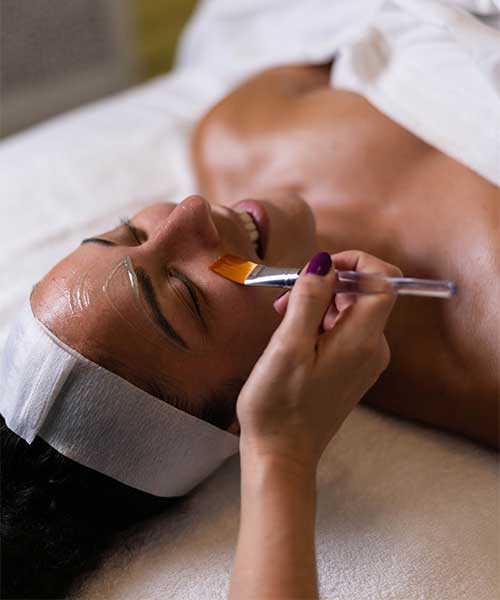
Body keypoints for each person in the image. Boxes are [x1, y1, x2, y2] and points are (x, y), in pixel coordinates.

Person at [1, 55, 498, 600]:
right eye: (186, 292)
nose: (188, 210)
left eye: (128, 232)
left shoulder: (232, 136)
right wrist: (281, 453)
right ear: (248, 405)